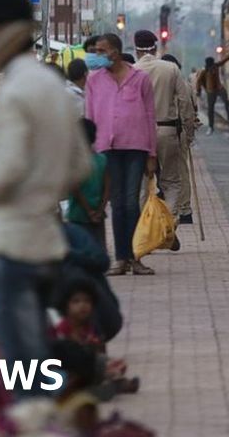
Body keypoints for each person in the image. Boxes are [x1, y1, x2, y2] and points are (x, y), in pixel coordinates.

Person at [0, 0, 92, 398]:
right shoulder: (52, 85)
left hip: (11, 244)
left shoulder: (15, 90)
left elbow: (8, 170)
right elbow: (80, 164)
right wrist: (44, 193)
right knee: (37, 354)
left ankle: (37, 422)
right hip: (47, 241)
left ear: (3, 30)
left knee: (23, 369)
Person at [85, 33, 158, 276]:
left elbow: (149, 116)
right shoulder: (94, 80)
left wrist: (152, 153)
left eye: (100, 50)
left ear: (114, 52)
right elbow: (90, 117)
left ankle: (136, 256)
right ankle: (120, 258)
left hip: (136, 147)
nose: (97, 55)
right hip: (107, 148)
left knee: (130, 202)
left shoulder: (140, 79)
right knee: (116, 203)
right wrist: (90, 149)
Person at [133, 29, 195, 248]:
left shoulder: (132, 71)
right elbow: (185, 101)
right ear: (156, 47)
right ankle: (168, 225)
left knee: (143, 186)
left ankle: (148, 229)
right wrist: (189, 130)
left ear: (136, 48)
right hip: (168, 132)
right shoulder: (170, 68)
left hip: (140, 134)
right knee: (172, 182)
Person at [161, 53, 197, 224]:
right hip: (180, 130)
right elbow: (191, 109)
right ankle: (185, 210)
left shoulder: (159, 84)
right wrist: (190, 134)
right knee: (182, 172)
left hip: (165, 130)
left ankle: (169, 209)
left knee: (166, 174)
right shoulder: (186, 85)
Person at [66, 119, 109, 247]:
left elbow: (75, 187)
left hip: (77, 215)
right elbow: (107, 188)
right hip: (99, 217)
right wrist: (100, 210)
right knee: (98, 250)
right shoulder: (102, 160)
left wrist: (89, 211)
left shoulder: (74, 162)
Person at [195, 56, 223, 135]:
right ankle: (211, 126)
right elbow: (198, 81)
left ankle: (211, 127)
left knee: (227, 100)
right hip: (211, 91)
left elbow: (225, 59)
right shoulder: (204, 71)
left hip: (219, 88)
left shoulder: (215, 66)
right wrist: (199, 90)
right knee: (210, 109)